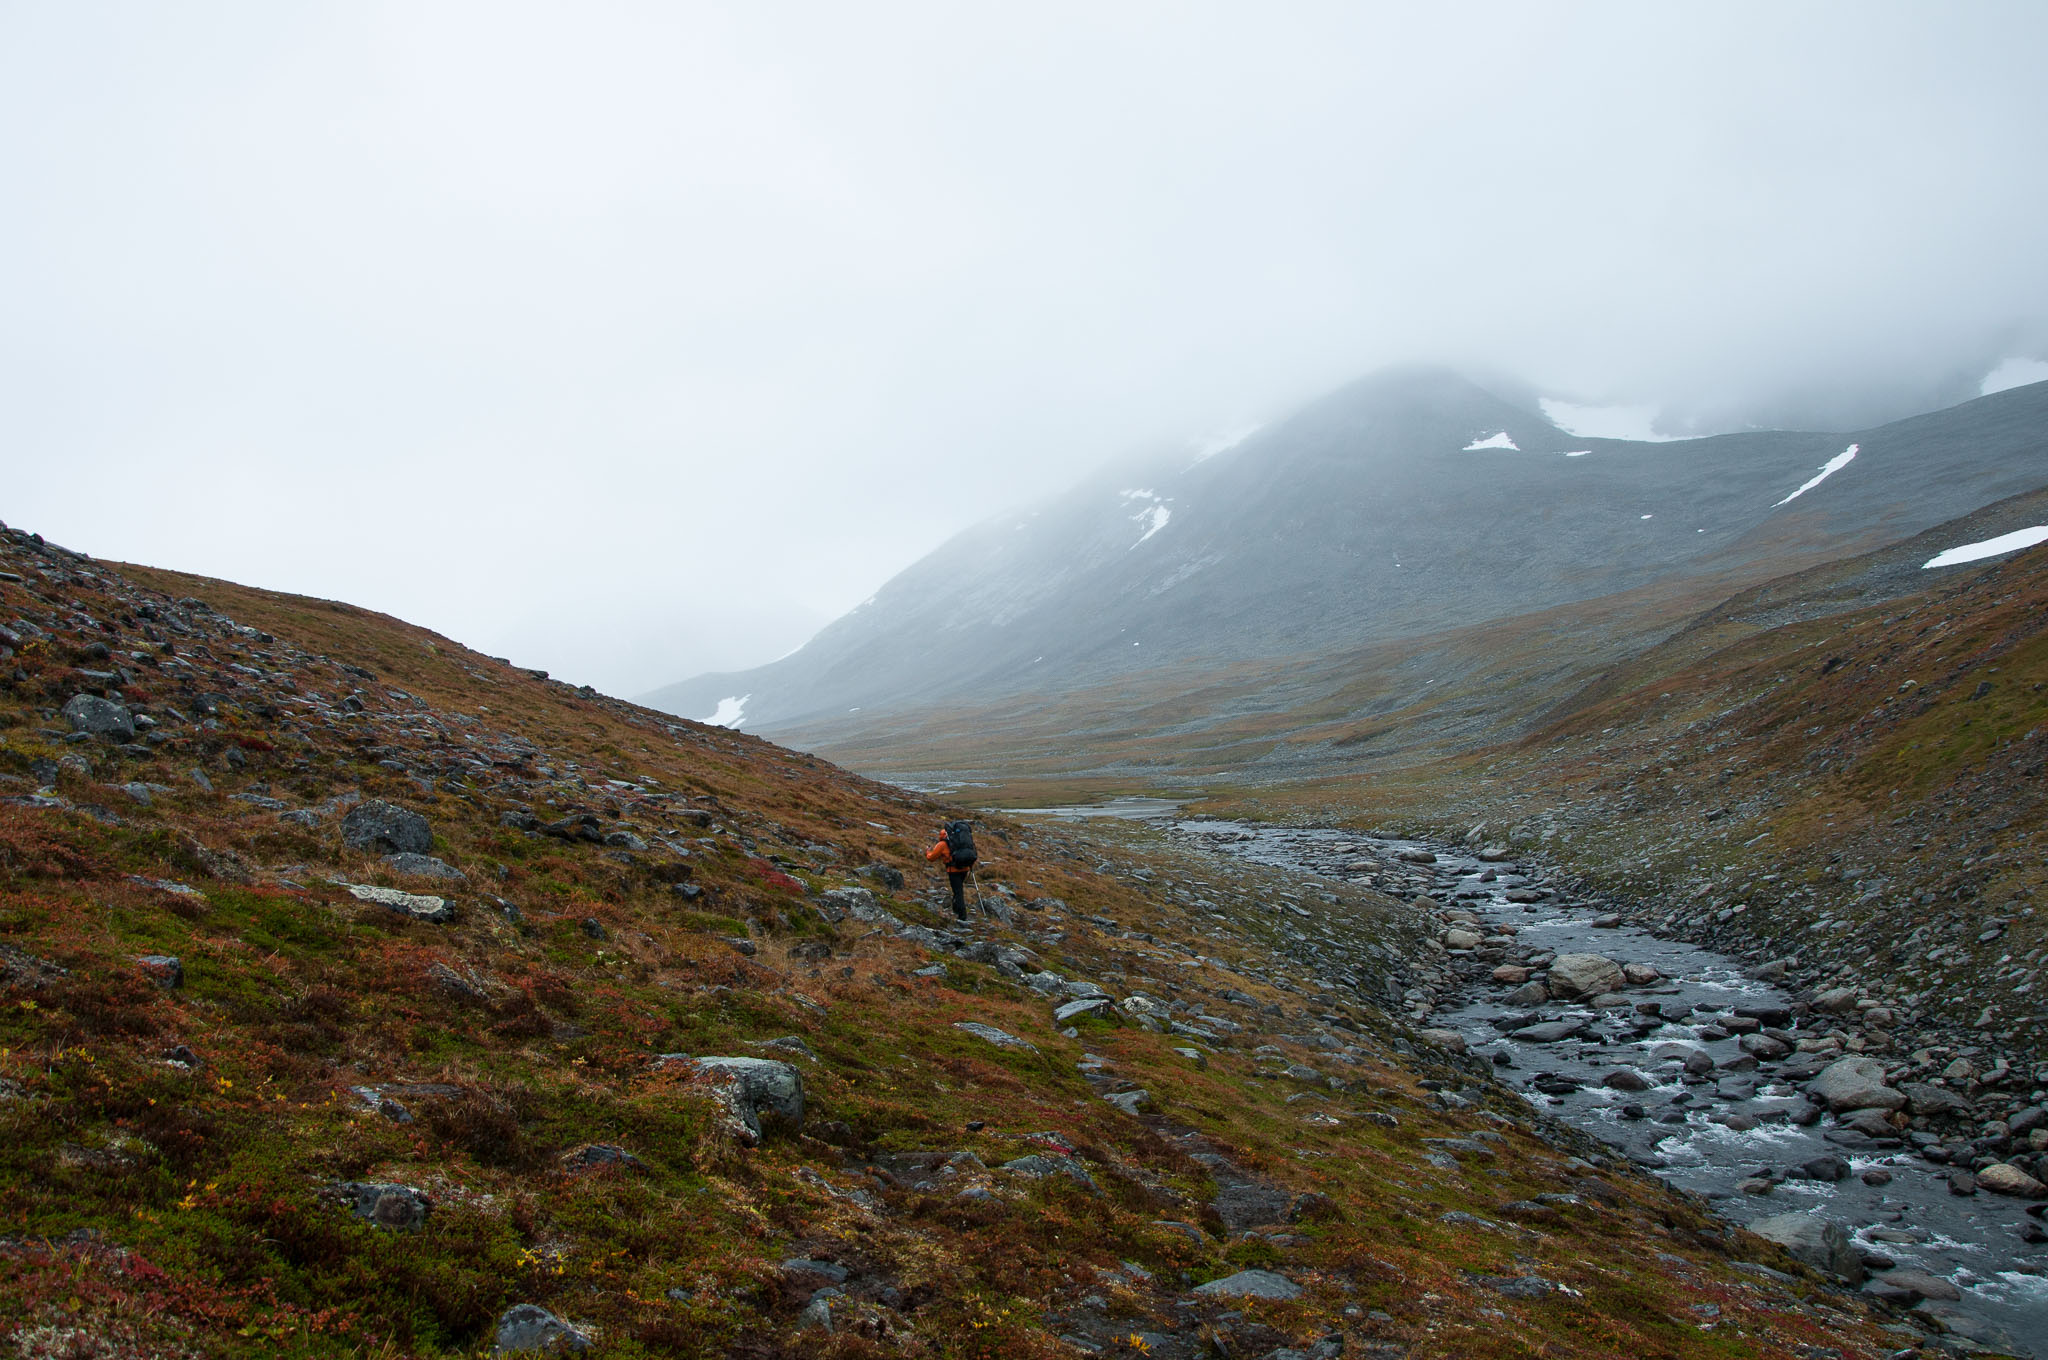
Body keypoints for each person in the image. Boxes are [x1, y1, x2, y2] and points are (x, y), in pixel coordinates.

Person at [925, 821, 975, 921]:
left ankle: (962, 916)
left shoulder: (942, 844)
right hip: (964, 868)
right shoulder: (961, 841)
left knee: (958, 892)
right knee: (958, 890)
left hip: (953, 871)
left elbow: (931, 858)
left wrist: (927, 851)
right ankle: (956, 909)